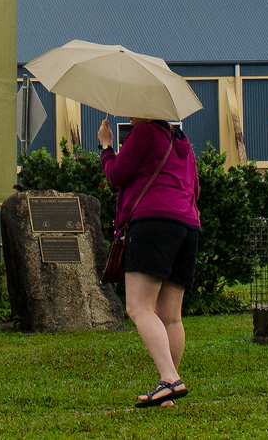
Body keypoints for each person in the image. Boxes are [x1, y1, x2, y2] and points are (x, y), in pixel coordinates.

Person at [100, 114, 200, 408]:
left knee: (139, 307)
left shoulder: (144, 133)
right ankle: (169, 391)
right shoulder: (183, 142)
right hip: (188, 225)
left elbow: (116, 176)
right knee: (170, 315)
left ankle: (170, 378)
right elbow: (195, 189)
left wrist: (106, 148)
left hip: (153, 222)